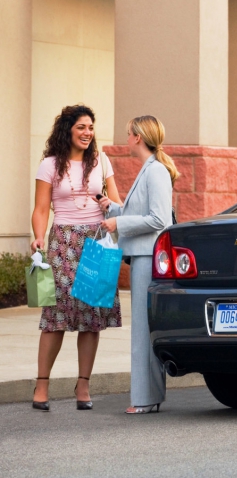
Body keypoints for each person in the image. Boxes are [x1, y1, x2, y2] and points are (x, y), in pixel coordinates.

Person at [31, 105, 123, 411]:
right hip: (62, 242)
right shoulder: (49, 165)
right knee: (55, 314)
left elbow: (118, 202)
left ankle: (83, 385)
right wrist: (38, 236)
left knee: (91, 315)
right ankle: (42, 384)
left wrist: (110, 204)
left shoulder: (100, 161)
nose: (87, 133)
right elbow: (41, 208)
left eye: (91, 128)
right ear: (68, 130)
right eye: (81, 127)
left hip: (96, 241)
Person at [98, 115, 177, 414]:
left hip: (147, 259)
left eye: (128, 133)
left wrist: (119, 221)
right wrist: (114, 208)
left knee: (143, 331)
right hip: (141, 258)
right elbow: (144, 211)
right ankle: (147, 397)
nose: (126, 137)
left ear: (137, 138)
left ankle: (145, 399)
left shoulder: (155, 171)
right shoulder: (149, 169)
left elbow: (159, 219)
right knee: (142, 330)